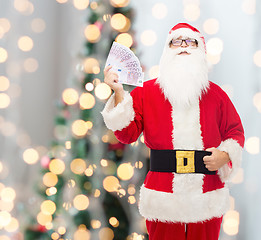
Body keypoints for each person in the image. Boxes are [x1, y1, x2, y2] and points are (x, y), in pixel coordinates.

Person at [101, 23, 245, 240]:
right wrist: (119, 93)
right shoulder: (146, 93)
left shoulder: (216, 96)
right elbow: (126, 134)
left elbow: (235, 132)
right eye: (176, 42)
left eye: (190, 42)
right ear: (166, 51)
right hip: (163, 196)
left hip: (206, 195)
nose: (183, 47)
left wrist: (224, 156)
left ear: (201, 50)